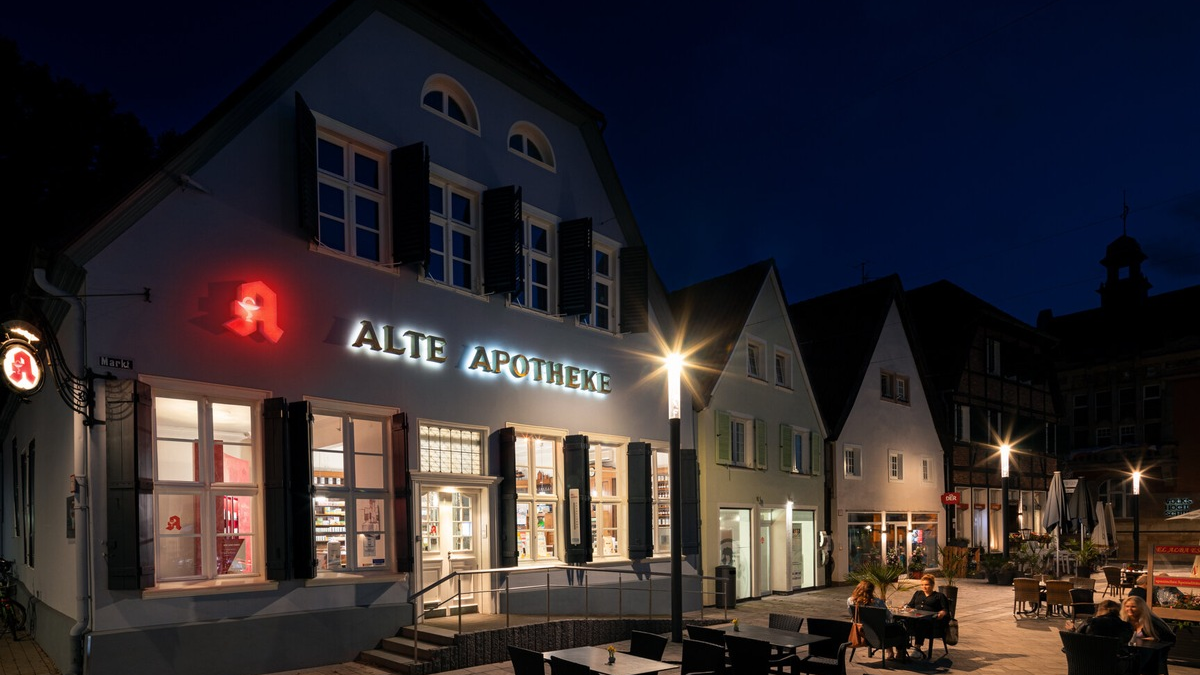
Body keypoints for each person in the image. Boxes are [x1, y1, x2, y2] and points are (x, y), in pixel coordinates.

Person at [846, 581, 909, 662]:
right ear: (872, 591)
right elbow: (889, 616)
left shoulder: (850, 601)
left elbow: (852, 615)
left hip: (861, 633)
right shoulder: (877, 602)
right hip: (879, 634)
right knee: (900, 628)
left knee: (886, 628)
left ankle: (890, 653)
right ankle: (899, 653)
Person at [1122, 595, 1176, 675]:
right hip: (1131, 656)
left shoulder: (1152, 622)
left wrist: (1156, 640)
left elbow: (1171, 638)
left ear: (1141, 608)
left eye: (1133, 607)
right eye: (1127, 606)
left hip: (1149, 659)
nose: (1129, 609)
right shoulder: (1124, 621)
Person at [904, 573, 951, 660]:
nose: (924, 587)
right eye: (922, 585)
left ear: (932, 585)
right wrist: (908, 608)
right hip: (915, 618)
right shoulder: (918, 594)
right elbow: (910, 605)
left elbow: (945, 610)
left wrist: (941, 613)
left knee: (921, 622)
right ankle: (903, 647)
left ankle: (917, 648)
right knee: (902, 621)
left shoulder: (939, 596)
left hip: (931, 622)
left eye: (926, 585)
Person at [1066, 599, 1134, 643]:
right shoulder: (1127, 626)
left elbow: (1075, 639)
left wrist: (1072, 630)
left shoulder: (1090, 622)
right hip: (1113, 662)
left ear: (1100, 610)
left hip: (1087, 660)